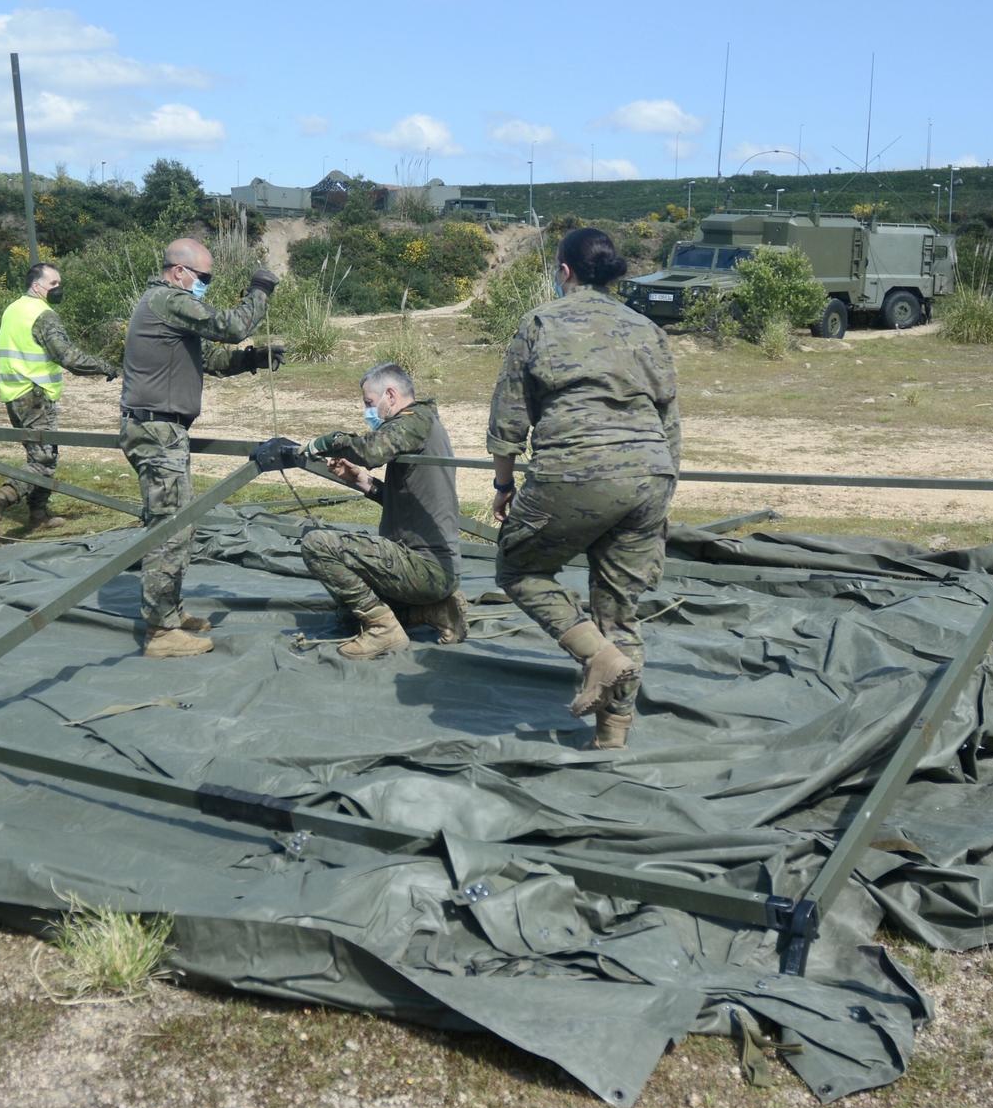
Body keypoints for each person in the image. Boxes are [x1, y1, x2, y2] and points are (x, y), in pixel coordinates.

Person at [486, 227, 680, 750]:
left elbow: (509, 418)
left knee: (519, 567)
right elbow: (670, 419)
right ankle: (612, 733)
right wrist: (661, 494)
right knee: (619, 608)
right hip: (650, 473)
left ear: (564, 272)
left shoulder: (541, 323)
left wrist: (503, 483)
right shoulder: (646, 329)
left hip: (576, 468)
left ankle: (597, 654)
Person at [121, 238, 282, 658]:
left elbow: (209, 357)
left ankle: (167, 614)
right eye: (204, 278)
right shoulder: (167, 299)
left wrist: (250, 360)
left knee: (177, 525)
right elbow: (232, 326)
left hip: (162, 431)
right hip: (157, 432)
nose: (205, 286)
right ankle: (160, 632)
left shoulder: (166, 307)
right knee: (170, 530)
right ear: (178, 272)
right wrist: (260, 289)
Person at [292, 363, 468, 658]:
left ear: (390, 395)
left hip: (426, 565)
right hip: (435, 567)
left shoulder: (415, 421)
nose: (367, 412)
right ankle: (434, 611)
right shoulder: (423, 426)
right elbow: (409, 502)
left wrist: (326, 443)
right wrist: (360, 480)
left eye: (369, 404)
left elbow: (371, 450)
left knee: (317, 545)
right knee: (348, 615)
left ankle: (383, 631)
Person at [0, 261, 118, 535]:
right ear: (37, 285)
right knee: (43, 463)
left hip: (14, 393)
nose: (58, 288)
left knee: (40, 455)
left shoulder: (13, 309)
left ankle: (38, 515)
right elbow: (67, 356)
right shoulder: (43, 315)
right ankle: (0, 498)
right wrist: (104, 366)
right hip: (36, 396)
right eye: (54, 283)